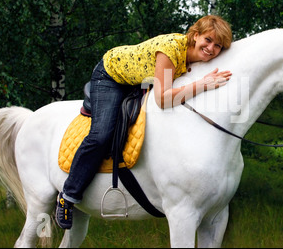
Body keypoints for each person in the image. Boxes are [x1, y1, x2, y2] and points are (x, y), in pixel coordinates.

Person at [56, 15, 233, 229]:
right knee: (102, 134)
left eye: (218, 46)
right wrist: (203, 84)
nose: (211, 48)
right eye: (208, 40)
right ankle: (69, 195)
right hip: (111, 77)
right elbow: (163, 99)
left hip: (137, 79)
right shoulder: (171, 50)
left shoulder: (196, 57)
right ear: (196, 36)